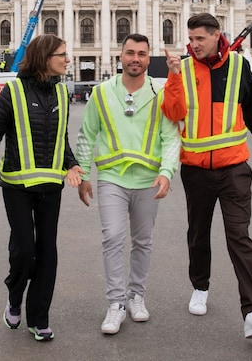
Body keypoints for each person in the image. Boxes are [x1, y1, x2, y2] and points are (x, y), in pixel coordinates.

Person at [162, 13, 252, 339]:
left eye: (199, 38)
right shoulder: (183, 69)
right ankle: (200, 287)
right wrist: (172, 77)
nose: (193, 44)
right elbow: (172, 113)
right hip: (196, 170)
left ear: (216, 35)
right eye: (191, 39)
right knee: (199, 234)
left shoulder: (240, 66)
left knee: (239, 236)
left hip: (234, 168)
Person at [0, 34, 85, 342]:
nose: (68, 59)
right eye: (62, 54)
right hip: (17, 186)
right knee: (25, 251)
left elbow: (61, 139)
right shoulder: (14, 91)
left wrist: (72, 164)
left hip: (51, 185)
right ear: (45, 58)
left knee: (47, 253)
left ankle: (39, 318)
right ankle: (14, 296)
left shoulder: (63, 94)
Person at [75, 34, 181, 335]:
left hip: (149, 179)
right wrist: (83, 175)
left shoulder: (160, 91)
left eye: (142, 54)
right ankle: (116, 303)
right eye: (130, 53)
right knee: (112, 237)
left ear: (149, 59)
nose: (136, 58)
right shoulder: (101, 92)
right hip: (112, 178)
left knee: (143, 241)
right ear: (120, 56)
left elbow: (171, 135)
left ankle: (136, 296)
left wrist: (167, 172)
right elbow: (87, 134)